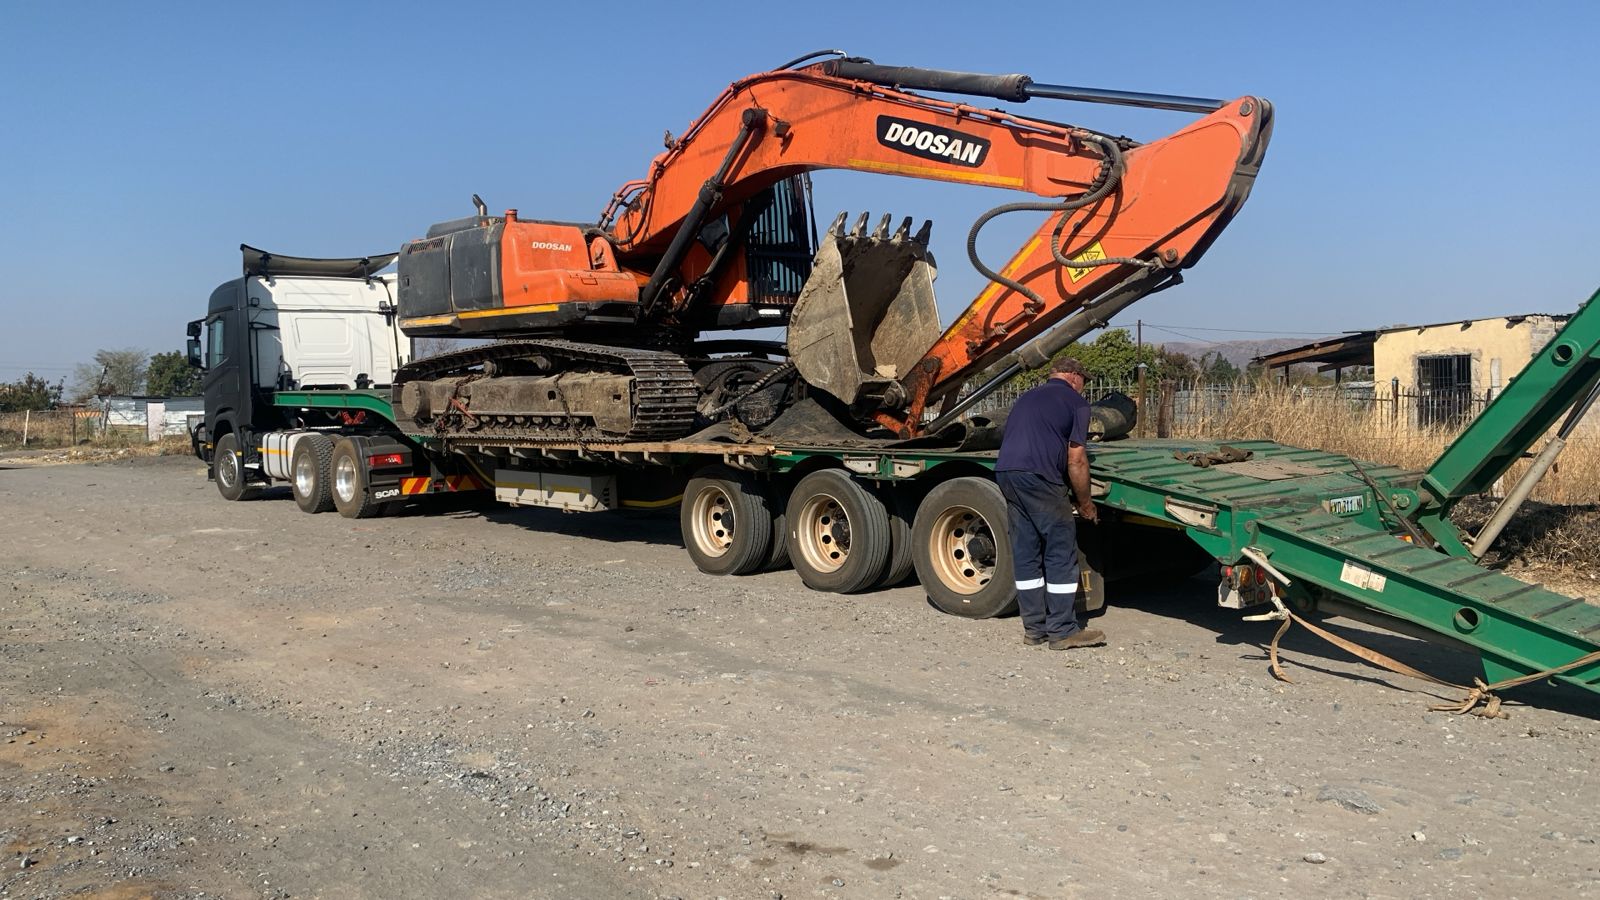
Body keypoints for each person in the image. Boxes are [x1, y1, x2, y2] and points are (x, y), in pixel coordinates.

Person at [994, 356, 1106, 650]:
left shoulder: (1027, 397)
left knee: (1026, 551)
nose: (1084, 388)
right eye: (1084, 381)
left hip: (1007, 473)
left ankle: (1034, 629)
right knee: (1059, 551)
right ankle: (1062, 631)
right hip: (1041, 478)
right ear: (1073, 376)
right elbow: (1077, 458)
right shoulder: (1075, 402)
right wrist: (1085, 503)